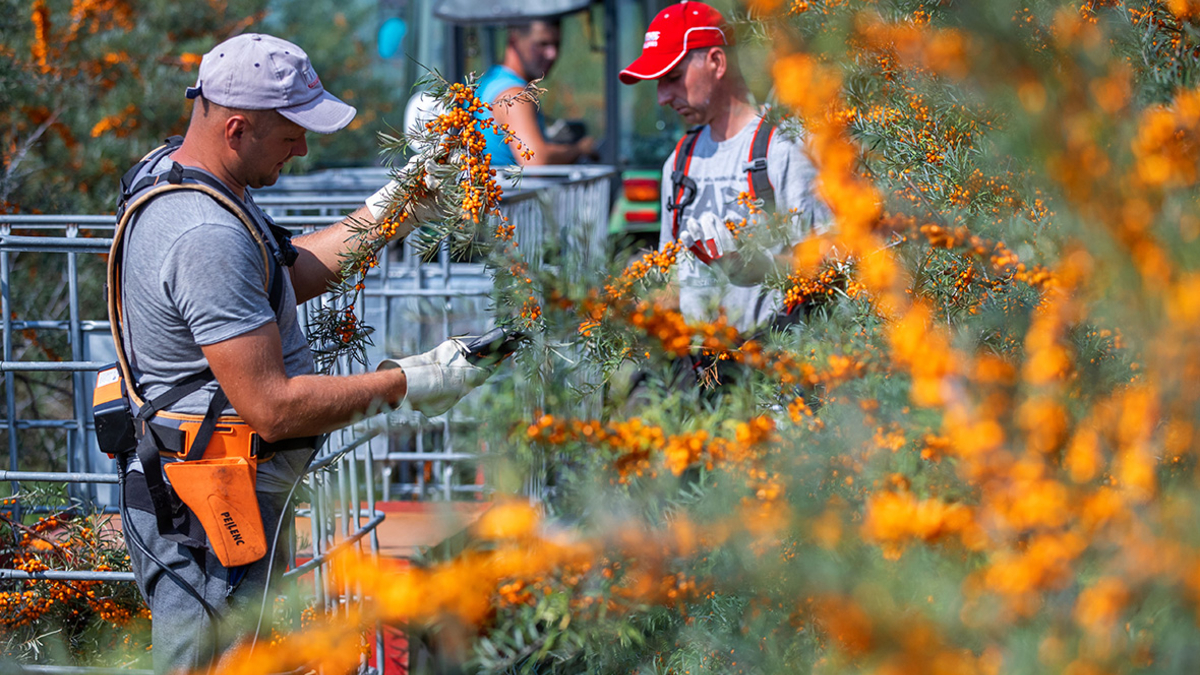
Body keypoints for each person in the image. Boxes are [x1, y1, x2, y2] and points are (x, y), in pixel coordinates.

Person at [110, 33, 491, 674]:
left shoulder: (185, 180)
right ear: (237, 128)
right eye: (291, 134)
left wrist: (395, 209)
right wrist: (411, 381)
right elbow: (274, 409)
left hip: (212, 498)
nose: (304, 148)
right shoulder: (205, 232)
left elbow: (282, 275)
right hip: (213, 514)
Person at [619, 1, 830, 337]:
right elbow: (677, 281)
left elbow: (828, 266)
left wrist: (756, 268)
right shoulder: (678, 162)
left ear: (716, 61)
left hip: (767, 371)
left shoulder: (784, 148)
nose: (662, 96)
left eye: (672, 77)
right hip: (696, 368)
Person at [477, 18, 597, 165]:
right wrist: (579, 149)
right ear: (514, 40)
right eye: (542, 44)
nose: (551, 54)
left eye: (556, 44)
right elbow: (535, 160)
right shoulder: (514, 96)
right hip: (506, 188)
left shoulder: (491, 80)